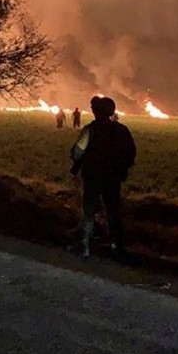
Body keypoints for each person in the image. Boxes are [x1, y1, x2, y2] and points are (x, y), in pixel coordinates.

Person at [69, 96, 136, 258]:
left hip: (93, 177)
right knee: (113, 211)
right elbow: (131, 153)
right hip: (113, 179)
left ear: (97, 111)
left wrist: (79, 162)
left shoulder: (90, 130)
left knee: (89, 211)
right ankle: (118, 247)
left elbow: (76, 152)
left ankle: (84, 247)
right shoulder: (122, 130)